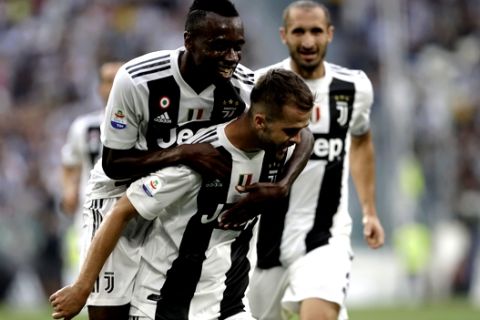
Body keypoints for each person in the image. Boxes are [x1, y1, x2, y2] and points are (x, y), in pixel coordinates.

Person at [52, 0, 313, 319]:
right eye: (220, 46)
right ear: (189, 40)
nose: (231, 57)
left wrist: (283, 186)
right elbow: (113, 164)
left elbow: (301, 129)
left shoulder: (244, 87)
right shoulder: (138, 80)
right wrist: (183, 152)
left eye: (237, 47)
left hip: (179, 194)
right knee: (109, 313)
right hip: (121, 196)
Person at [248, 2, 385, 320]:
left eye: (315, 31)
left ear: (330, 34)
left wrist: (369, 211)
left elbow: (362, 139)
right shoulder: (258, 87)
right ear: (283, 35)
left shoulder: (354, 88)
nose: (308, 41)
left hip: (325, 237)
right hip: (263, 242)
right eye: (299, 31)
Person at [60, 61, 123, 284]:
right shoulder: (84, 127)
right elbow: (70, 162)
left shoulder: (147, 125)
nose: (113, 86)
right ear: (99, 88)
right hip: (91, 213)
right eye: (108, 81)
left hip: (130, 211)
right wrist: (69, 190)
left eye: (119, 80)